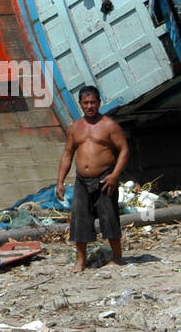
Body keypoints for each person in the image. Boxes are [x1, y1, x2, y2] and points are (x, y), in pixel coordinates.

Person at [55, 86, 129, 271]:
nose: (90, 106)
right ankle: (80, 261)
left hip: (105, 178)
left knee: (109, 216)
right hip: (82, 180)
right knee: (80, 218)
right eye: (86, 103)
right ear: (80, 104)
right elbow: (67, 154)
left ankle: (118, 258)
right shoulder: (74, 128)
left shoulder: (109, 125)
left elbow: (124, 150)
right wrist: (60, 182)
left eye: (93, 102)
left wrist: (114, 175)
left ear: (99, 102)